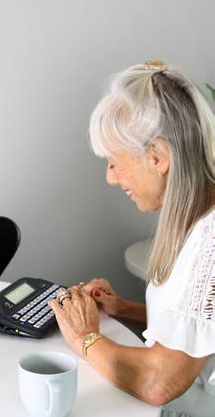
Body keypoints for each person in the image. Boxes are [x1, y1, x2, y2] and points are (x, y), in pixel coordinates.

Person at [49, 61, 215, 416]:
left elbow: (159, 382)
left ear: (157, 156)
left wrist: (84, 338)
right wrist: (122, 309)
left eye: (114, 162)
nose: (110, 178)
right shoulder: (195, 218)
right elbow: (196, 334)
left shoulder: (211, 243)